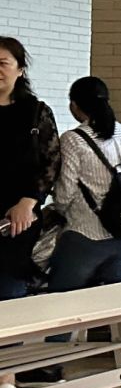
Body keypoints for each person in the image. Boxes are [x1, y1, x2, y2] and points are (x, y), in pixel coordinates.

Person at [46, 77, 121, 293]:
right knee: (119, 305)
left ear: (74, 106)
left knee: (63, 303)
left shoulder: (73, 139)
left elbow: (64, 195)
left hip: (86, 235)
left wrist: (58, 210)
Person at [0, 37, 60, 316]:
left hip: (17, 218)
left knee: (10, 291)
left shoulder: (36, 112)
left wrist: (28, 201)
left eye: (3, 63)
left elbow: (52, 161)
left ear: (20, 69)